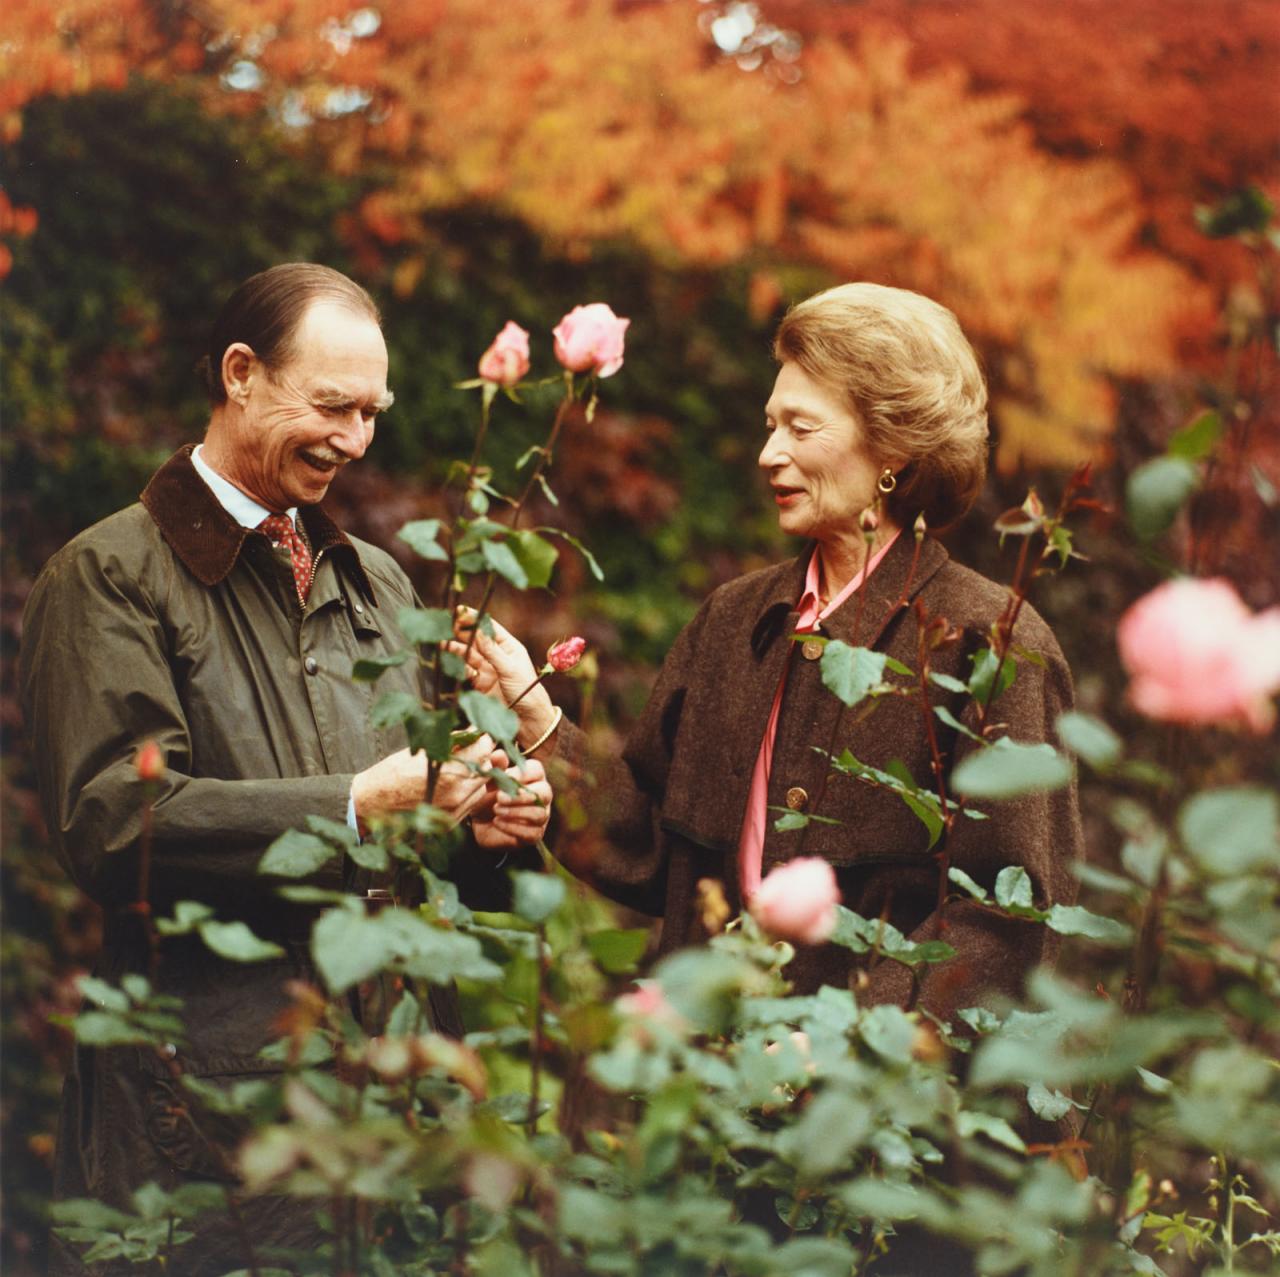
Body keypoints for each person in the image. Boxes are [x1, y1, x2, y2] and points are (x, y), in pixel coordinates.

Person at [19, 263, 553, 1274]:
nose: (353, 440)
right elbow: (112, 821)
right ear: (240, 375)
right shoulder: (109, 574)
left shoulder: (380, 581)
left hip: (393, 1107)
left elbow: (428, 844)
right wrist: (355, 803)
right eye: (331, 405)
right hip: (206, 1119)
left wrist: (484, 829)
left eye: (372, 413)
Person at [456, 281, 1082, 1021]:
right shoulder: (733, 619)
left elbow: (1006, 924)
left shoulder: (993, 641)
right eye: (769, 425)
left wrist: (844, 1045)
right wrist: (536, 719)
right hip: (703, 1091)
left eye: (800, 428)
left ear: (894, 448)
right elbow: (651, 847)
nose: (767, 453)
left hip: (878, 1114)